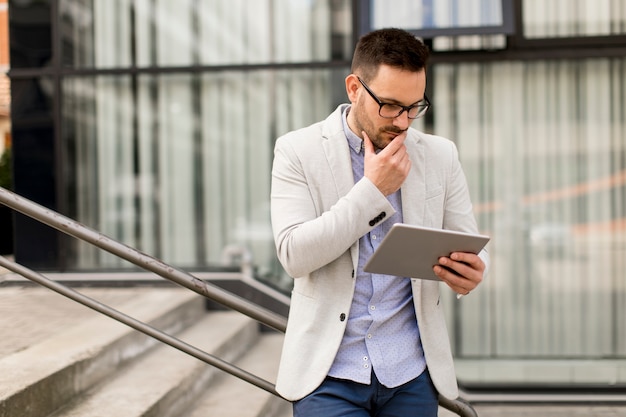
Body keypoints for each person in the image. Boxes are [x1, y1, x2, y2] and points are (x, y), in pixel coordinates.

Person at [270, 28, 489, 417]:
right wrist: (372, 190)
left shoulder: (440, 155)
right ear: (354, 88)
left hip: (410, 374)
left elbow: (467, 240)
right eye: (389, 106)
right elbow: (294, 254)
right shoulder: (297, 151)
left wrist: (472, 271)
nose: (403, 122)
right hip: (328, 375)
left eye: (413, 107)